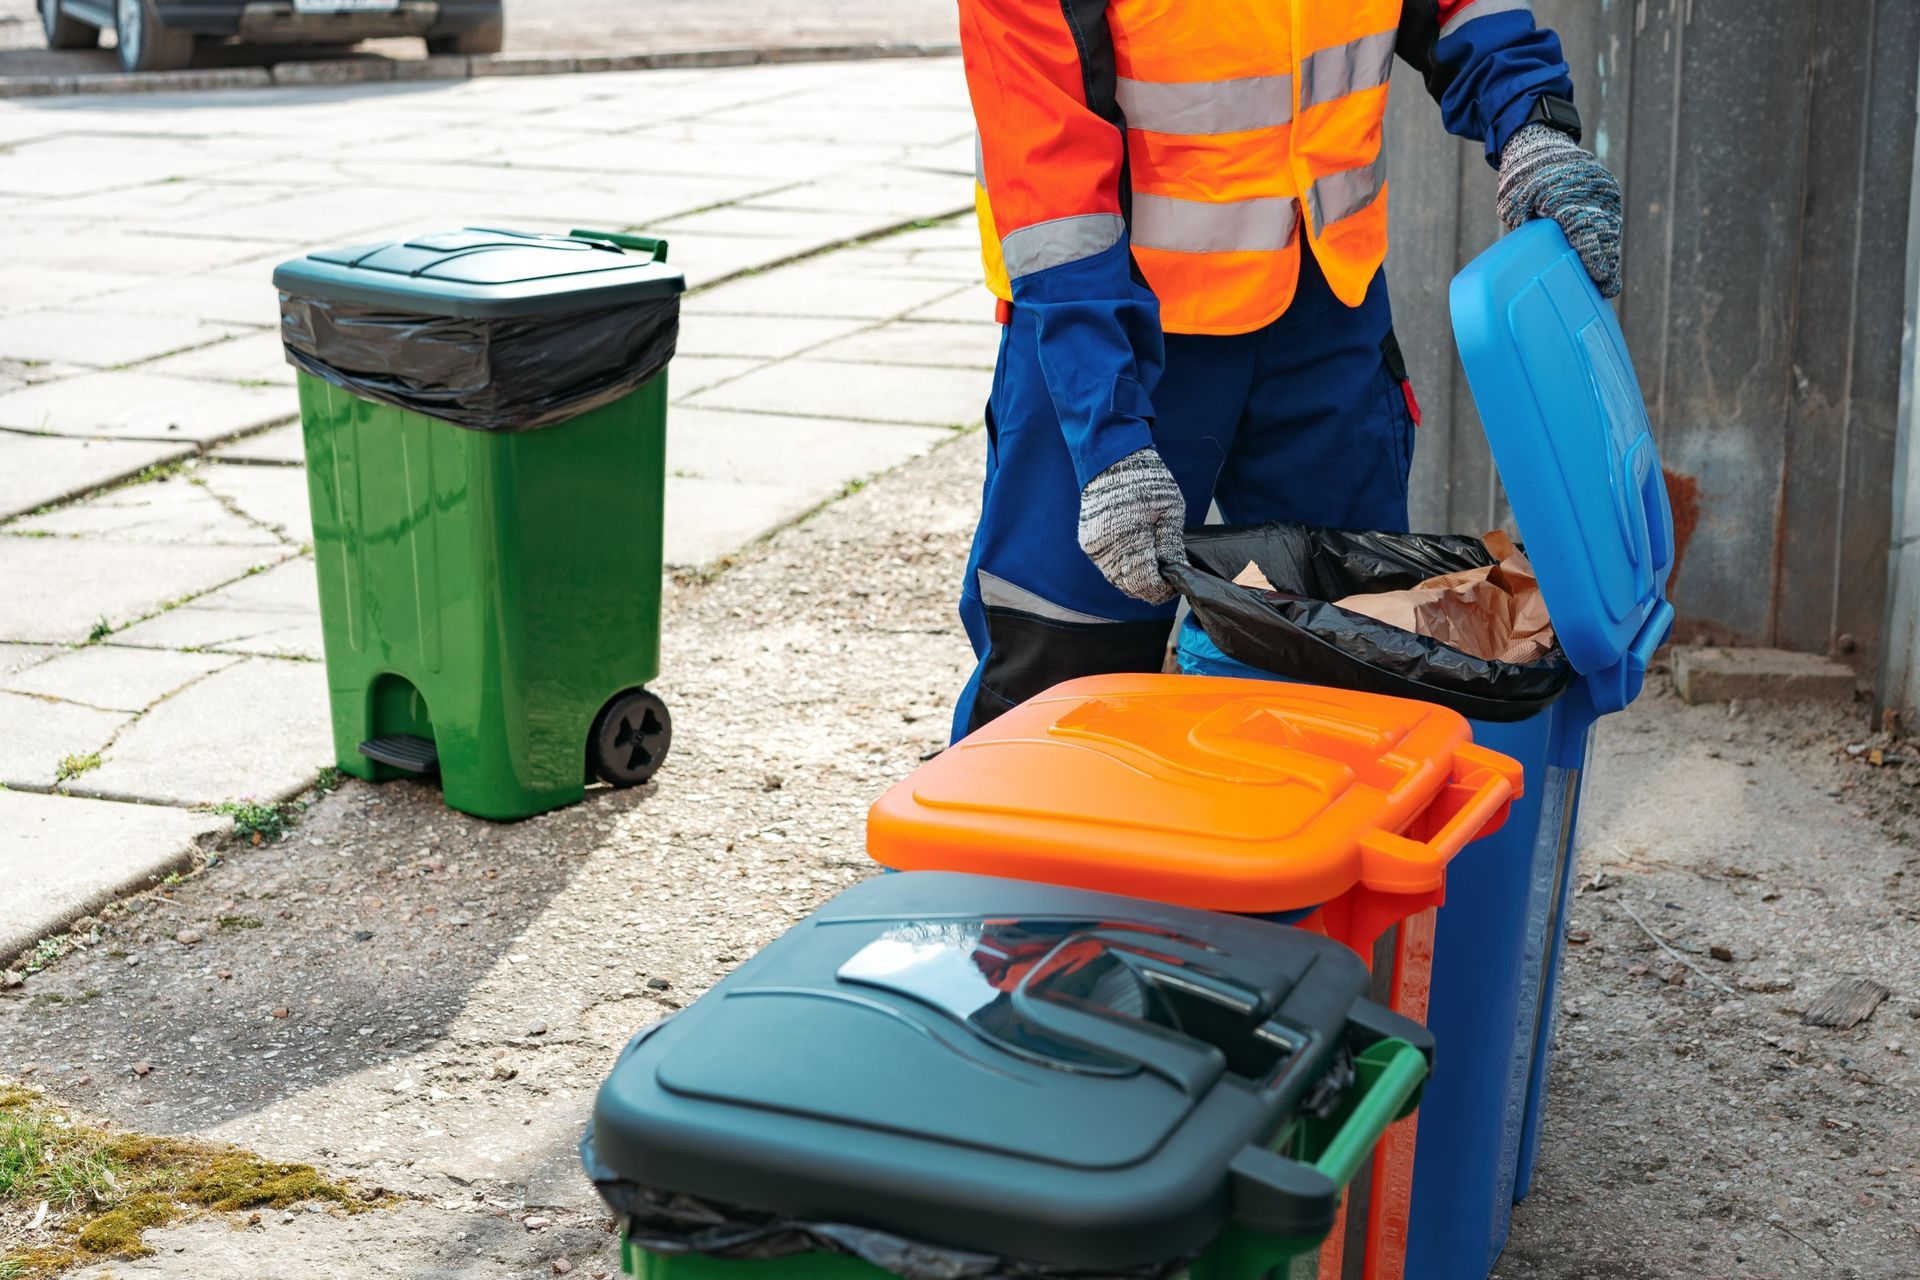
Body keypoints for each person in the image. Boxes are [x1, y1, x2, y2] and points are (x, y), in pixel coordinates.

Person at [950, 0, 1622, 737]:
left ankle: (1312, 853)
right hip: (1112, 329)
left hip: (1322, 312)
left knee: (1359, 668)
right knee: (1063, 684)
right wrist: (1103, 429)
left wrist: (1530, 120)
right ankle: (1018, 856)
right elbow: (1047, 169)